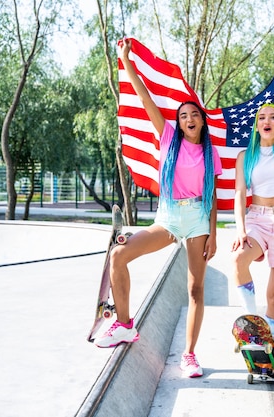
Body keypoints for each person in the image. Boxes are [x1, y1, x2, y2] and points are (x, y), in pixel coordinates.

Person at [94, 39, 222, 379]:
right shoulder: (167, 137)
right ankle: (124, 325)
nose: (189, 118)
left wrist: (213, 233)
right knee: (118, 256)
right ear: (178, 122)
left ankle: (190, 355)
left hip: (197, 218)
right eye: (183, 115)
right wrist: (125, 60)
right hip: (167, 217)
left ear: (201, 121)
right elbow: (144, 97)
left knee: (195, 289)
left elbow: (212, 195)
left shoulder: (212, 154)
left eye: (194, 114)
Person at [230, 46, 274, 337]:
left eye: (273, 117)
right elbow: (239, 194)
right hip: (257, 220)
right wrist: (240, 228)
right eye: (262, 118)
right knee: (237, 259)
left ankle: (267, 343)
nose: (267, 121)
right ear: (257, 125)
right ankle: (252, 321)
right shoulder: (245, 157)